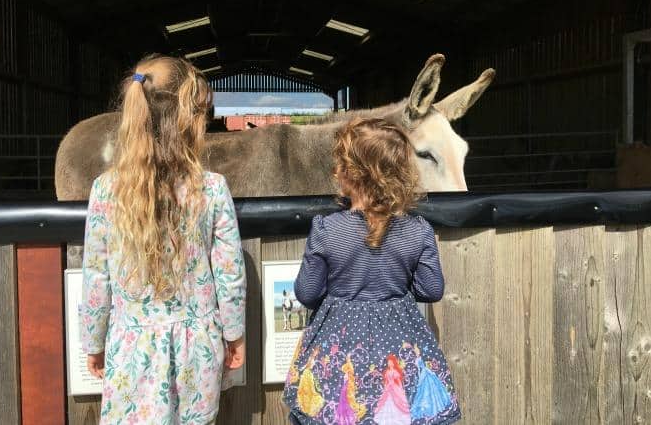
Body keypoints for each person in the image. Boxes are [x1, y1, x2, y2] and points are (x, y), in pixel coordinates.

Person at [79, 54, 246, 425]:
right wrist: (234, 334)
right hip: (197, 349)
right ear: (190, 119)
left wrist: (93, 341)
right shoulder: (213, 190)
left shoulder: (106, 191)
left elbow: (96, 276)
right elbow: (229, 274)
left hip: (131, 348)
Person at [283, 117, 460, 425]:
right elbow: (432, 290)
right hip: (399, 351)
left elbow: (307, 293)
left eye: (340, 164)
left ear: (355, 174)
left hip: (338, 349)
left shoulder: (327, 230)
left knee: (337, 413)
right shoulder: (418, 232)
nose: (335, 171)